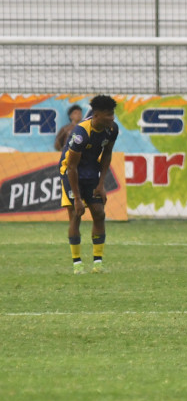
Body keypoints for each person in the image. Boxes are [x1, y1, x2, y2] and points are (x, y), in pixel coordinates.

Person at [59, 95, 119, 275]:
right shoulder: (80, 133)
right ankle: (77, 264)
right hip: (71, 172)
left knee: (99, 213)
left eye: (113, 114)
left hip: (91, 172)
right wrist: (77, 199)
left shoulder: (111, 129)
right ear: (97, 115)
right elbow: (71, 166)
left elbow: (107, 154)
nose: (112, 118)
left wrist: (101, 184)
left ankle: (98, 263)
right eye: (108, 115)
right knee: (76, 215)